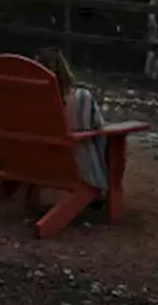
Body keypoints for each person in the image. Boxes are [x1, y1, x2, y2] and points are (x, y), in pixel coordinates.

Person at [35, 47, 109, 197]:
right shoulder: (82, 98)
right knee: (110, 138)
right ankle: (102, 188)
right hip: (76, 167)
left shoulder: (27, 99)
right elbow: (98, 126)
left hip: (36, 164)